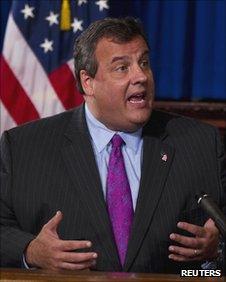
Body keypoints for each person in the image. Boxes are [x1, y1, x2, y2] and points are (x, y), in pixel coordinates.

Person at [0, 17, 225, 274]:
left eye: (144, 63)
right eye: (122, 68)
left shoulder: (200, 143)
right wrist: (30, 250)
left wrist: (217, 248)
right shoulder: (24, 147)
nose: (141, 76)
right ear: (88, 82)